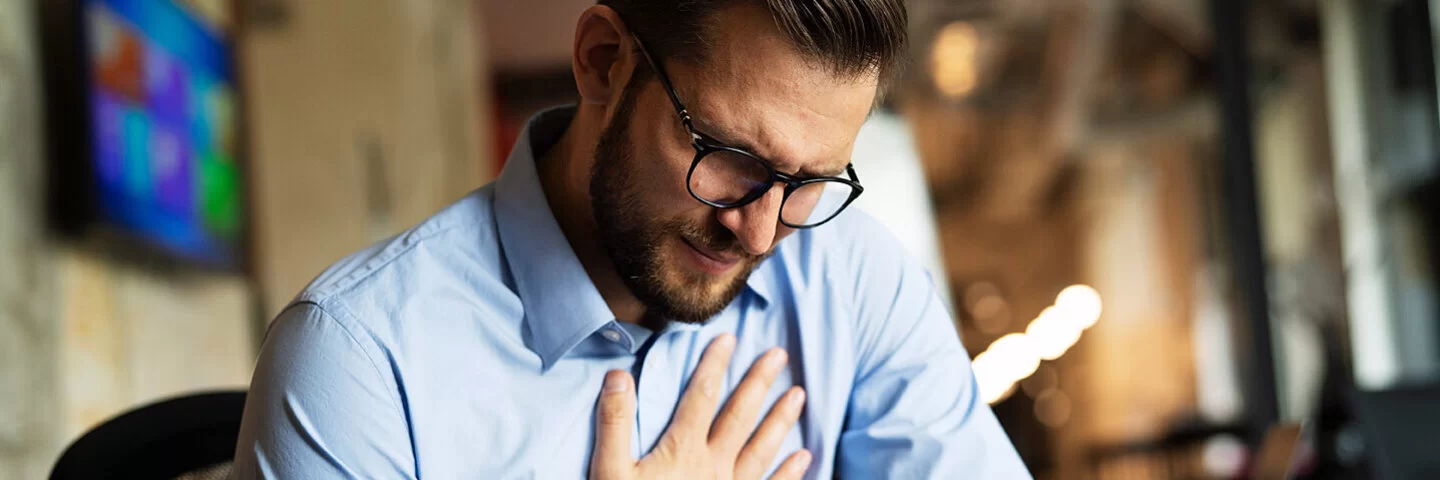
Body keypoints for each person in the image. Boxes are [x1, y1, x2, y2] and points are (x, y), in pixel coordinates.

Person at [233, 1, 1029, 478]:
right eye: (731, 157)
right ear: (603, 63)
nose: (759, 230)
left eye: (810, 182)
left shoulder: (853, 279)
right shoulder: (359, 360)